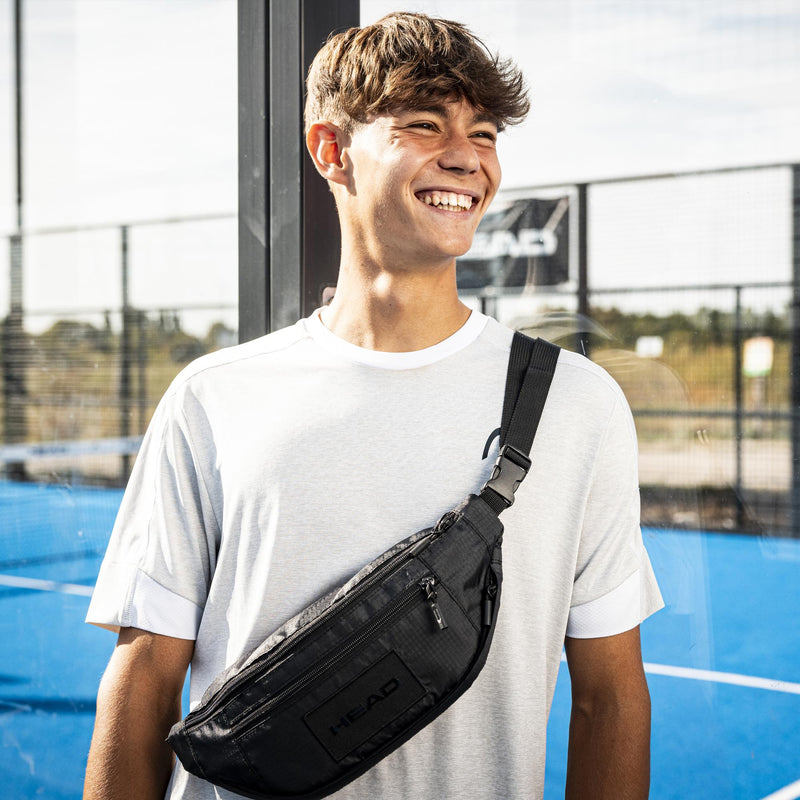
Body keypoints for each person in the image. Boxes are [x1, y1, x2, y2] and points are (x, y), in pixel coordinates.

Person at [83, 12, 662, 800]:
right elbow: (145, 675)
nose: (465, 156)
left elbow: (611, 695)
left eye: (484, 134)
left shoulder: (577, 403)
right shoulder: (214, 397)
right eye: (424, 124)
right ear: (331, 151)